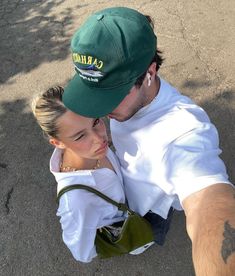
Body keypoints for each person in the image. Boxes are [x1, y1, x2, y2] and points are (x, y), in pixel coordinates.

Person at [61, 7, 235, 275]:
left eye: (111, 95)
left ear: (149, 73)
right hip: (125, 190)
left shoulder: (184, 131)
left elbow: (208, 203)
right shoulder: (126, 98)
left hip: (150, 211)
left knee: (143, 237)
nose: (99, 111)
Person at [31, 86, 154, 263]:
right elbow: (82, 252)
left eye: (95, 121)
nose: (99, 138)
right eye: (80, 136)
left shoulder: (94, 151)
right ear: (57, 142)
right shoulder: (75, 201)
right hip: (125, 229)